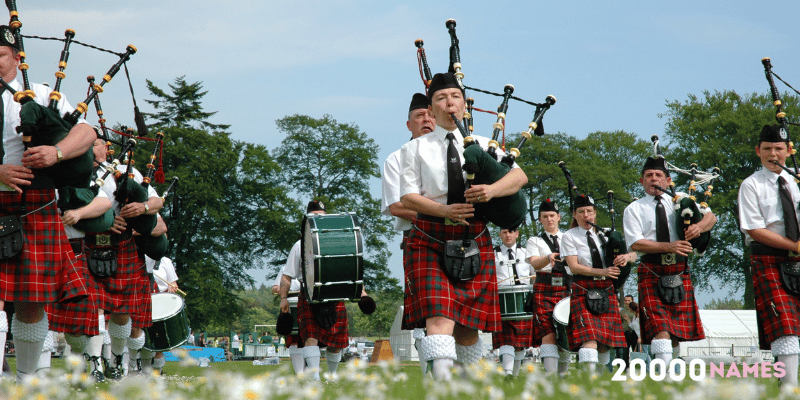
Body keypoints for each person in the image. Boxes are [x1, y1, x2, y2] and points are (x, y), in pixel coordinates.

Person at [399, 72, 528, 380]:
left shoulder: (484, 145)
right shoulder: (414, 149)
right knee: (440, 317)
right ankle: (443, 386)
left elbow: (519, 178)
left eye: (455, 97)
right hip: (431, 237)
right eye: (442, 99)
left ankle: (468, 386)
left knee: (469, 328)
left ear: (464, 106)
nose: (450, 103)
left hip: (475, 238)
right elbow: (408, 196)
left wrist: (492, 190)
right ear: (432, 109)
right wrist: (444, 210)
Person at [0, 26, 97, 381]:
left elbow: (86, 133)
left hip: (35, 203)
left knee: (30, 303)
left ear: (16, 58)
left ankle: (26, 378)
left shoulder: (41, 93)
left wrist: (56, 153)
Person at [623, 156, 716, 368]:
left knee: (674, 332)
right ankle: (664, 375)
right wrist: (670, 246)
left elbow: (711, 217)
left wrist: (699, 227)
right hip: (652, 269)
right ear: (642, 181)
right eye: (649, 176)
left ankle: (669, 372)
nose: (653, 179)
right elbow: (636, 243)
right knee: (660, 328)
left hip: (679, 268)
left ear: (668, 180)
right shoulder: (634, 209)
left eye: (658, 175)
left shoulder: (681, 199)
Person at [48, 137, 117, 381]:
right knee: (41, 310)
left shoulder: (89, 174)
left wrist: (78, 213)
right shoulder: (46, 167)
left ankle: (89, 361)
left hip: (76, 249)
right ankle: (40, 371)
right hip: (45, 244)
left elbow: (104, 202)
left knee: (80, 319)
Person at [737, 124, 800, 387]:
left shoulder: (797, 181)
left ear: (789, 150)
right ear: (758, 151)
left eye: (778, 148)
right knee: (785, 326)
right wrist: (795, 247)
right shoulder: (751, 185)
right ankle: (788, 390)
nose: (773, 154)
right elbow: (754, 228)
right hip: (770, 260)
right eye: (767, 149)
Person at [279, 200, 370, 380]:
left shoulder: (336, 241)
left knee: (336, 342)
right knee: (310, 337)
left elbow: (350, 269)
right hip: (309, 295)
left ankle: (331, 377)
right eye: (314, 217)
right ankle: (315, 379)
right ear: (307, 220)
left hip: (334, 294)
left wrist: (363, 293)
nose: (317, 220)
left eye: (321, 216)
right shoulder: (299, 245)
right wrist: (283, 298)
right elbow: (287, 276)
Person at [381, 93, 435, 376]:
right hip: (421, 239)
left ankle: (463, 380)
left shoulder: (455, 154)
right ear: (408, 124)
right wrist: (443, 213)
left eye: (430, 116)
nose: (426, 120)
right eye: (419, 117)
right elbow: (395, 206)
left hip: (461, 239)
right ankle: (430, 378)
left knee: (460, 316)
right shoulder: (396, 159)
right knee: (424, 314)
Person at [562, 194, 634, 373]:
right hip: (583, 289)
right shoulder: (569, 236)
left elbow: (634, 253)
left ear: (595, 213)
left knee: (604, 342)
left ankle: (599, 382)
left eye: (589, 211)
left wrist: (626, 257)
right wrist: (602, 272)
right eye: (581, 212)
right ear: (574, 214)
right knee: (590, 339)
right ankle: (588, 380)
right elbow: (573, 266)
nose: (586, 215)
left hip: (607, 289)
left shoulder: (608, 234)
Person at [525, 198, 572, 374]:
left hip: (566, 287)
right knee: (548, 333)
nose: (549, 219)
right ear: (540, 219)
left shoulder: (568, 238)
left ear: (559, 217)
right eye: (545, 216)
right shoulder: (534, 241)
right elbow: (535, 264)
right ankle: (551, 378)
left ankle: (562, 375)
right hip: (544, 287)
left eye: (552, 215)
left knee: (566, 334)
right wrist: (548, 258)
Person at [492, 227, 531, 377]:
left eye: (511, 231)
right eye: (504, 232)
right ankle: (507, 373)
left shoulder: (527, 253)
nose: (508, 235)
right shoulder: (493, 254)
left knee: (520, 342)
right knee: (506, 340)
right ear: (500, 234)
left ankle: (513, 376)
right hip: (502, 300)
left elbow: (534, 275)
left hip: (523, 300)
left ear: (517, 234)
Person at [139, 256, 179, 375]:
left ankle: (158, 371)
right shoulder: (137, 255)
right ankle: (140, 370)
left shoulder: (165, 261)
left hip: (161, 304)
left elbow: (173, 283)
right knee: (141, 339)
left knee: (158, 341)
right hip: (141, 301)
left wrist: (172, 287)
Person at [274, 262, 305, 375]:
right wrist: (278, 289)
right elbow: (274, 288)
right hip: (290, 307)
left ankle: (310, 373)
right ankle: (299, 374)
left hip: (308, 305)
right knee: (294, 341)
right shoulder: (285, 269)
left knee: (311, 340)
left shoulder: (312, 266)